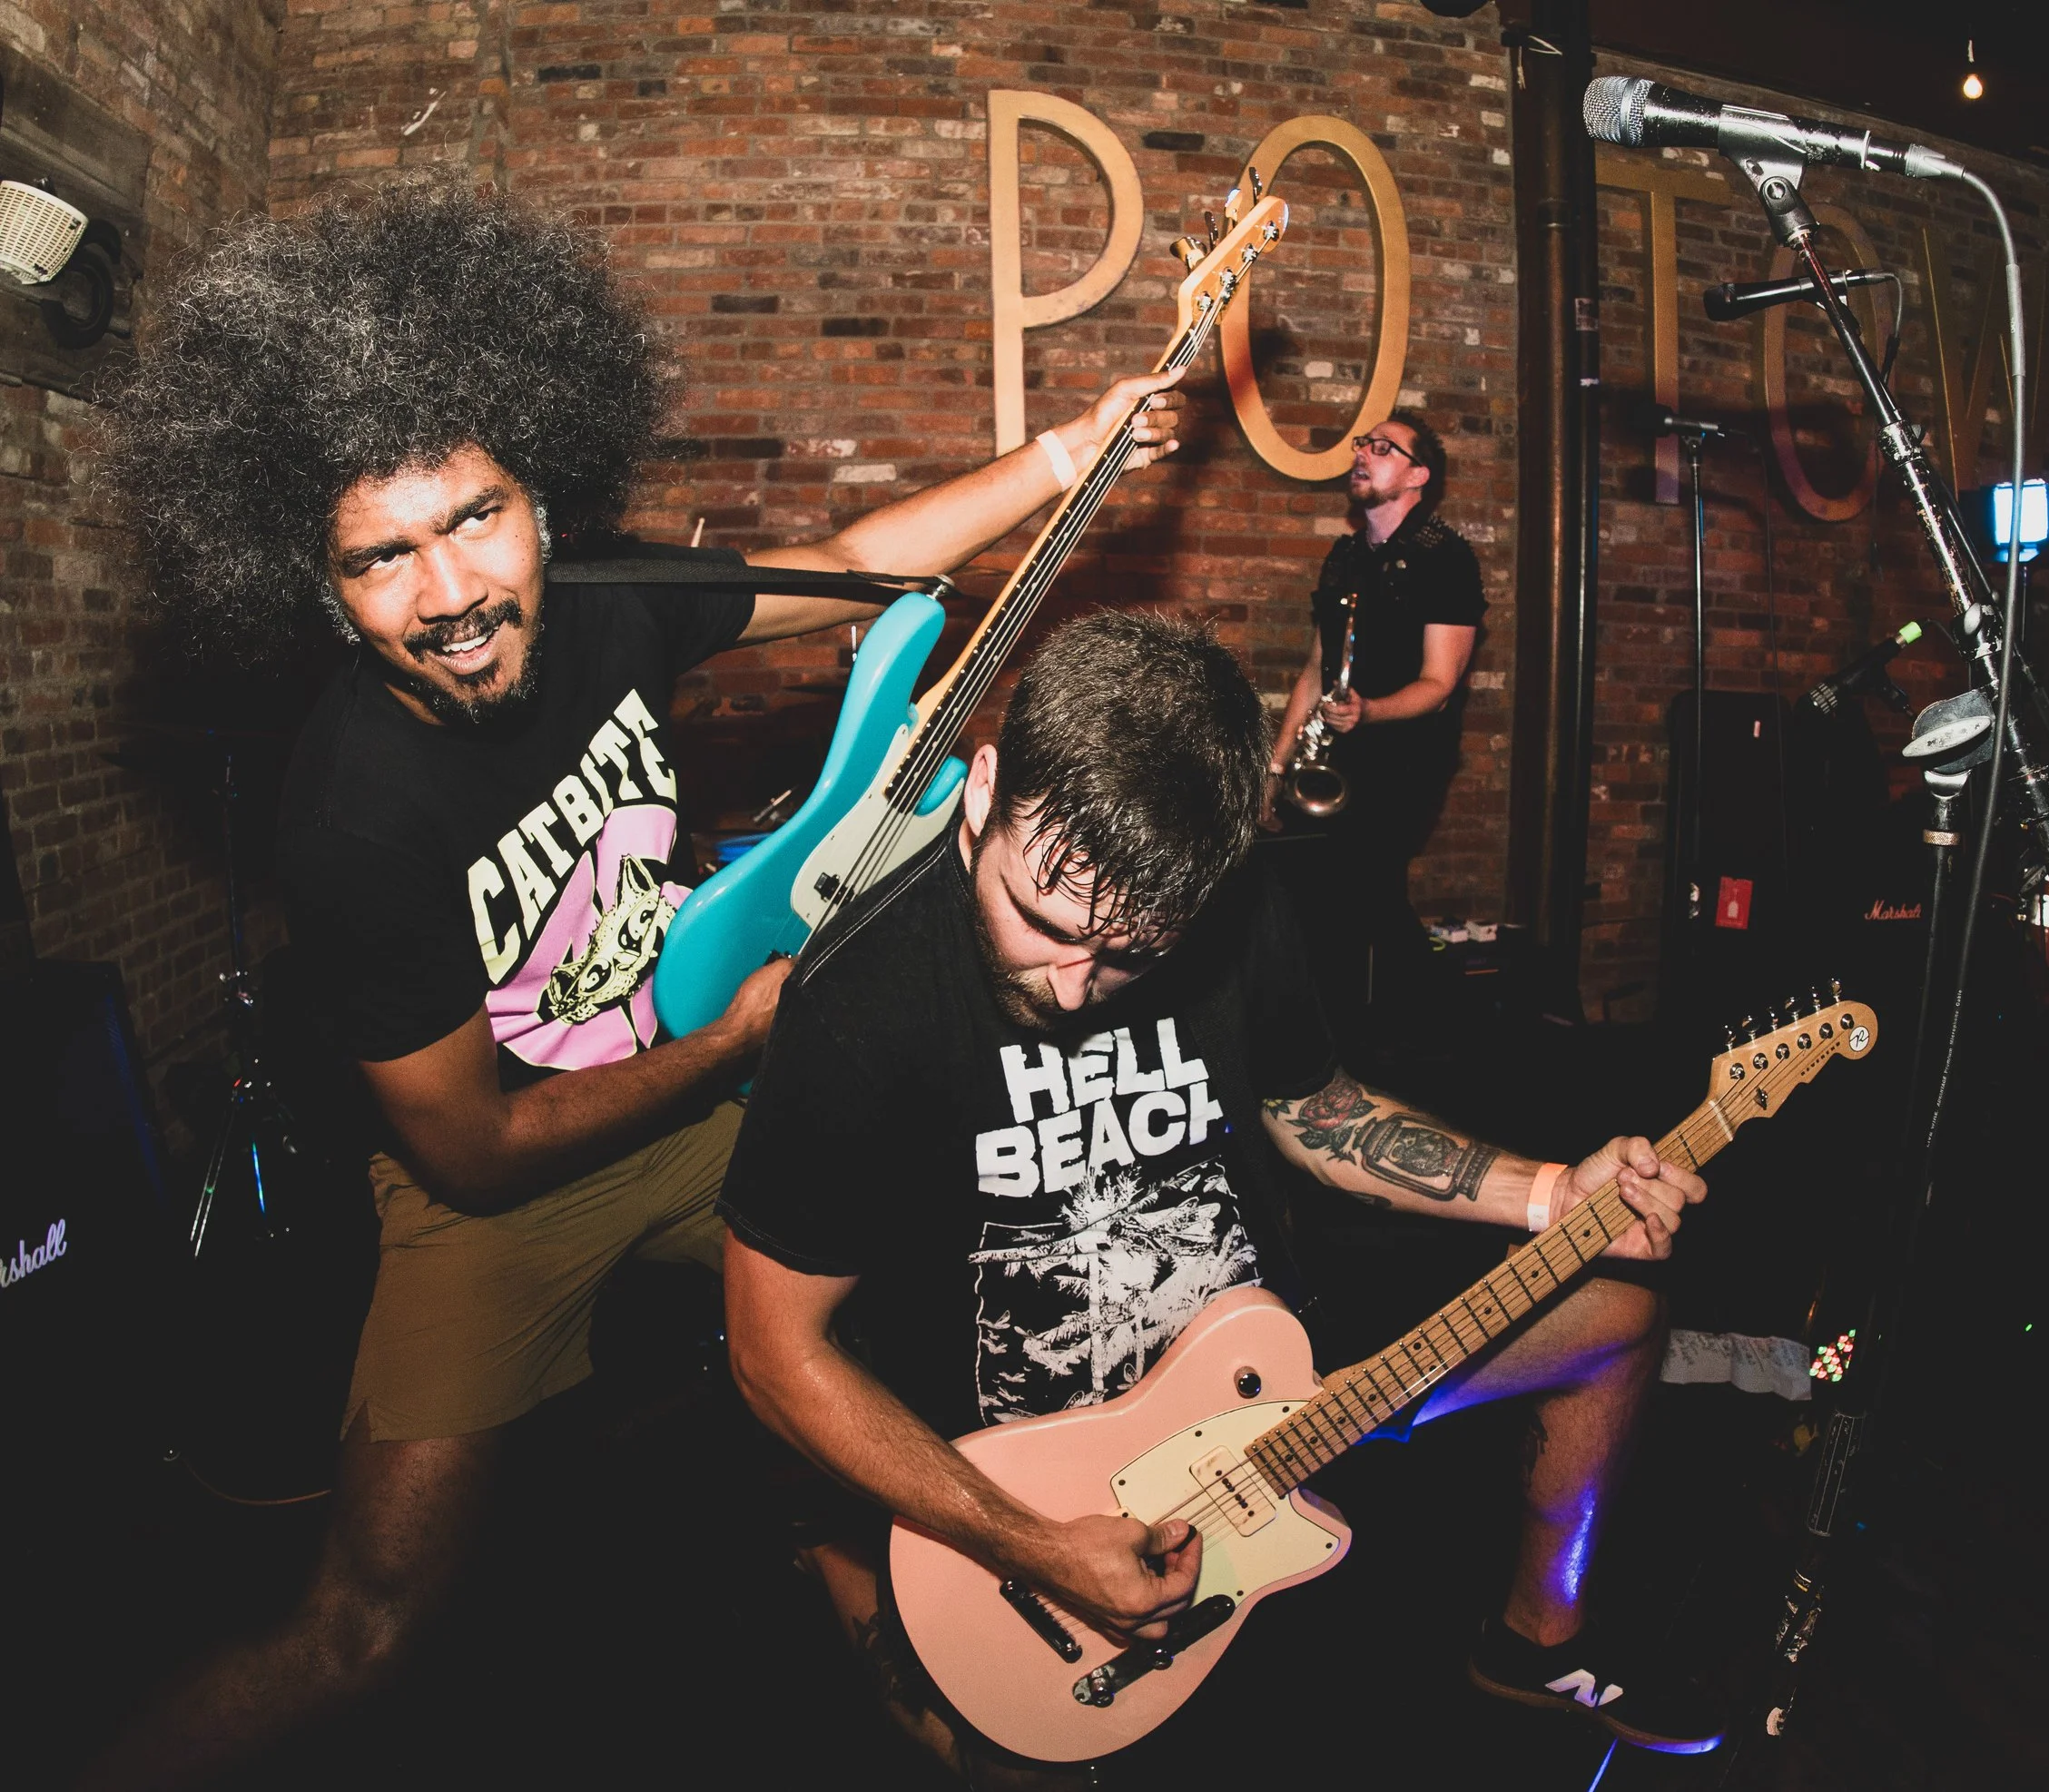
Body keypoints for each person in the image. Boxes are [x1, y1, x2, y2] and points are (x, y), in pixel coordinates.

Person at [80, 182, 1184, 1790]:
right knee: (362, 1628)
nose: (450, 592)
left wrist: (1061, 461)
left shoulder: (600, 607)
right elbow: (468, 1147)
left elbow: (857, 564)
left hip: (707, 1081)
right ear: (321, 588)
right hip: (505, 1182)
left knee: (924, 1283)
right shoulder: (352, 816)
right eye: (381, 559)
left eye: (477, 516)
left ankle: (883, 1608)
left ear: (541, 491)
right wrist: (743, 1031)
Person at [720, 610, 1723, 1779]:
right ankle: (847, 1574)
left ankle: (1534, 1639)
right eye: (1042, 920)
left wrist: (1552, 1191)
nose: (1074, 982)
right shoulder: (859, 1001)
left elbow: (1313, 1108)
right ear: (984, 787)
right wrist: (1034, 1547)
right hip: (1034, 1463)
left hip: (1269, 1371)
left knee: (1616, 1315)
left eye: (1130, 954)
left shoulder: (1239, 910)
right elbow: (771, 1353)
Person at [1264, 410, 1483, 1029]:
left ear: (1418, 475)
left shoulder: (1447, 559)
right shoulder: (1343, 557)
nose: (1364, 452)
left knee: (1366, 890)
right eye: (1364, 443)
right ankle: (1340, 1032)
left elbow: (1441, 685)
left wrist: (1369, 712)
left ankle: (1436, 1024)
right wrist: (1276, 766)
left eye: (1385, 448)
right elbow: (1314, 667)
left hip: (1406, 760)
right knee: (1313, 894)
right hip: (1335, 758)